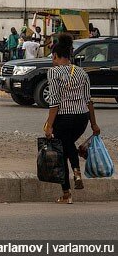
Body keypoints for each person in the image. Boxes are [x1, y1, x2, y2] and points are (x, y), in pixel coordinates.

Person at [43, 33, 103, 204]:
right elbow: (89, 101)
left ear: (55, 55)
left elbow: (54, 102)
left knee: (63, 151)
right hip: (81, 118)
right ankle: (73, 179)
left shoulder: (53, 72)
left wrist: (49, 125)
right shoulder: (82, 72)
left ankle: (68, 190)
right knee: (68, 145)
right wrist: (94, 124)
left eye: (52, 57)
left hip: (63, 118)